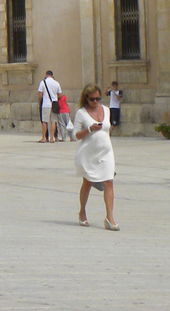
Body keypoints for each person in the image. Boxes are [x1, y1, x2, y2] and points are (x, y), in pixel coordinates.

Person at [73, 84, 118, 230]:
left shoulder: (106, 110)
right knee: (87, 182)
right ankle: (82, 212)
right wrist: (89, 129)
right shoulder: (81, 113)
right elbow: (75, 135)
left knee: (109, 182)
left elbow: (107, 129)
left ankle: (109, 218)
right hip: (88, 154)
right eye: (92, 99)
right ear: (86, 98)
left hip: (106, 152)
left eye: (98, 98)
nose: (96, 101)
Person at [38, 70, 63, 143]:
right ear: (52, 75)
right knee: (53, 121)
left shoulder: (43, 82)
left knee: (45, 121)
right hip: (54, 104)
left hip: (46, 104)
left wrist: (39, 103)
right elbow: (60, 94)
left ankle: (44, 138)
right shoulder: (56, 83)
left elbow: (40, 95)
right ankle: (52, 137)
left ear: (46, 75)